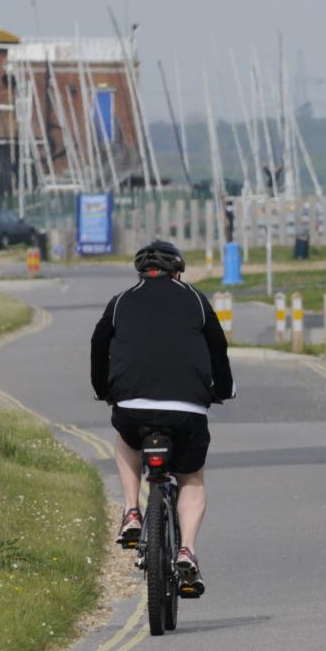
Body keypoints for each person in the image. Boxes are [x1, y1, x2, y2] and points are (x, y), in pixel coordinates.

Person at [90, 240, 234, 597]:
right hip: (187, 409)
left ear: (140, 273)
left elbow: (98, 343)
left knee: (126, 439)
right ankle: (186, 549)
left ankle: (131, 511)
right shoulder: (197, 300)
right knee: (191, 477)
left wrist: (103, 388)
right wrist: (223, 389)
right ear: (178, 272)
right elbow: (218, 348)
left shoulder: (121, 301)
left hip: (132, 404)